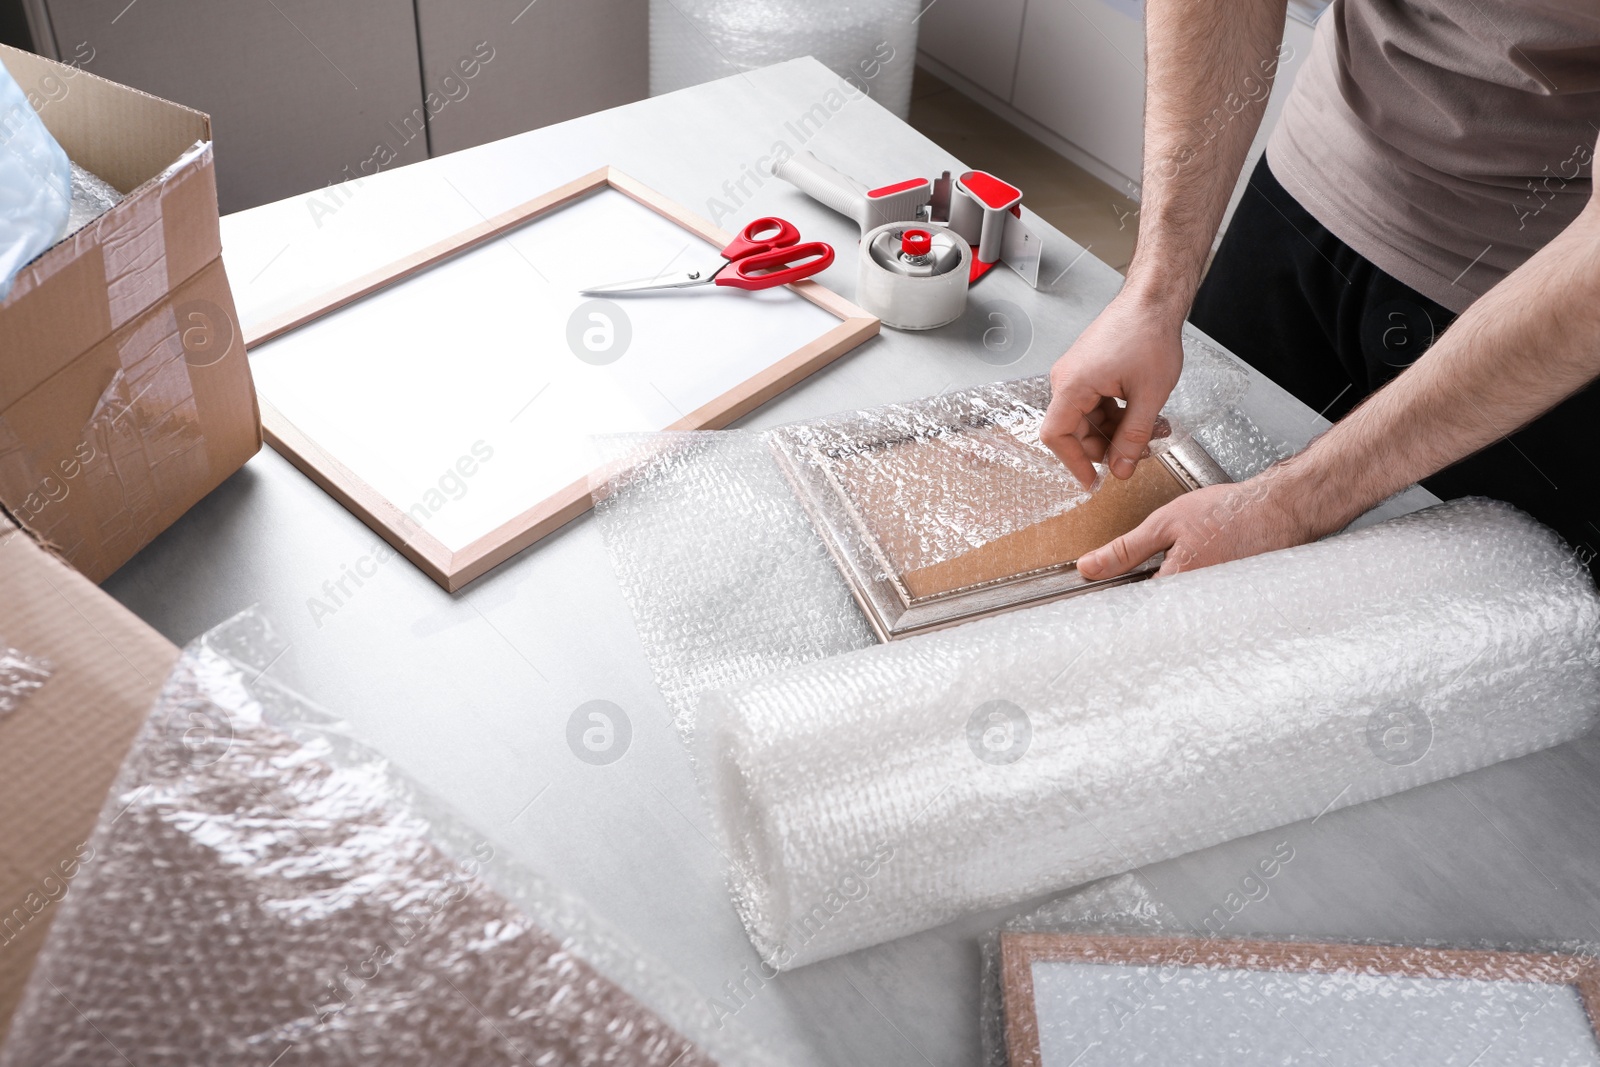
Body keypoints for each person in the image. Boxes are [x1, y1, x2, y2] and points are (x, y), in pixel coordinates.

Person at [1040, 0, 1600, 585]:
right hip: (1306, 194)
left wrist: (1291, 505)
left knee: (1447, 627)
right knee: (1183, 556)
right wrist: (1153, 295)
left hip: (1535, 303)